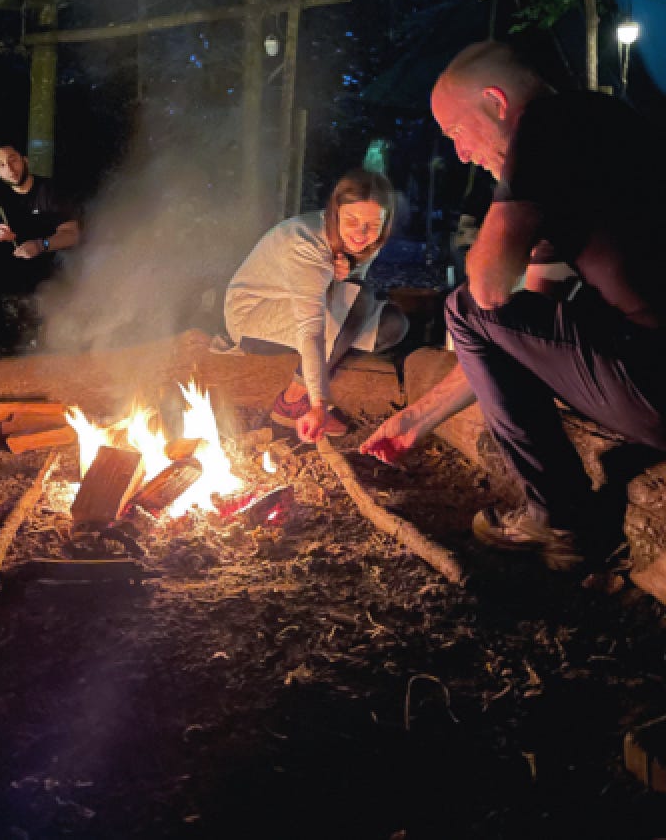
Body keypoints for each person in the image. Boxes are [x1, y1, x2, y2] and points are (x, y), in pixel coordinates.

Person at [361, 39, 666, 571]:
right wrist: (418, 417)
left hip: (656, 381)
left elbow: (487, 293)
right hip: (648, 372)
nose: (460, 153)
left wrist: (503, 201)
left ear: (497, 103)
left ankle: (562, 517)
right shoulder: (596, 130)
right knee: (498, 316)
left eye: (458, 131)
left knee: (462, 304)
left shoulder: (548, 122)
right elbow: (515, 330)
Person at [222, 168, 409, 443]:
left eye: (373, 223)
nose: (361, 232)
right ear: (335, 213)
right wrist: (318, 404)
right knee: (363, 297)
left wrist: (345, 275)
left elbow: (348, 295)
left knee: (393, 324)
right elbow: (312, 328)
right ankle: (292, 402)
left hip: (310, 307)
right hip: (255, 315)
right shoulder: (305, 243)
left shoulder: (369, 240)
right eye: (352, 220)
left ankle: (313, 375)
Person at [0, 141, 80, 349]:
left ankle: (63, 326)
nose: (9, 169)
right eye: (0, 165)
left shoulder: (49, 190)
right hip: (9, 265)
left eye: (13, 161)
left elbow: (72, 233)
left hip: (45, 263)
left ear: (24, 159)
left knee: (71, 258)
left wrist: (40, 244)